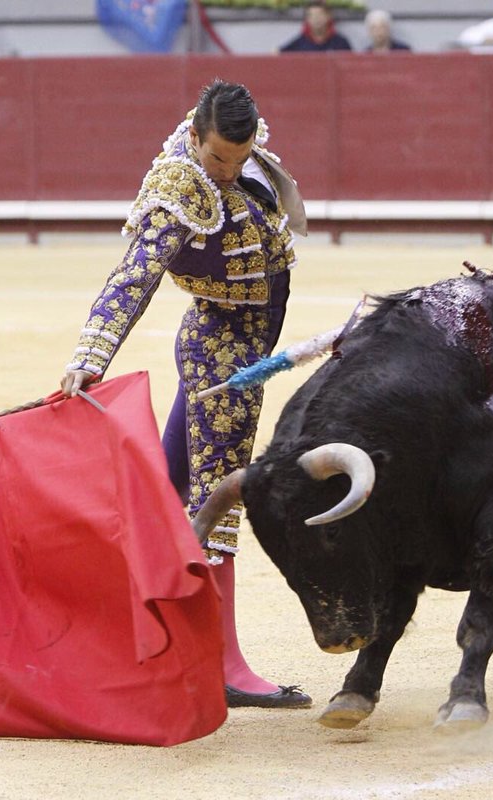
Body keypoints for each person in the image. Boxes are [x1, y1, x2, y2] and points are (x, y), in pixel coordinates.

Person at [60, 80, 312, 710]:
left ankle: (127, 636)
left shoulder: (229, 134)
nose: (226, 171)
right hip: (223, 359)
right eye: (216, 158)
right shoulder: (180, 189)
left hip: (233, 348)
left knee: (171, 495)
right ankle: (222, 663)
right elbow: (134, 275)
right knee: (217, 505)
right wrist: (91, 357)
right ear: (195, 137)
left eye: (238, 157)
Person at [279, 1, 352, 52]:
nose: (316, 19)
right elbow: (278, 54)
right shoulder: (299, 43)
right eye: (312, 16)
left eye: (320, 15)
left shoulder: (341, 43)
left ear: (328, 16)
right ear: (307, 19)